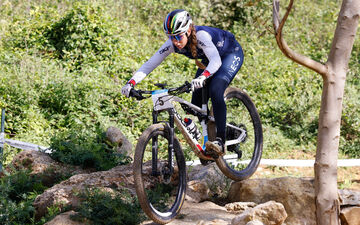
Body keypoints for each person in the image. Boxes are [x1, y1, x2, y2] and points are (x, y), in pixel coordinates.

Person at [121, 9, 244, 154]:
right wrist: (131, 83)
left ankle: (221, 141)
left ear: (188, 31)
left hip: (229, 54)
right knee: (193, 105)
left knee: (216, 90)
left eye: (178, 36)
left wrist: (203, 77)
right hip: (209, 60)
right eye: (171, 37)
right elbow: (150, 64)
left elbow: (216, 61)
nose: (175, 41)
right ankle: (219, 133)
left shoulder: (201, 36)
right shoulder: (172, 44)